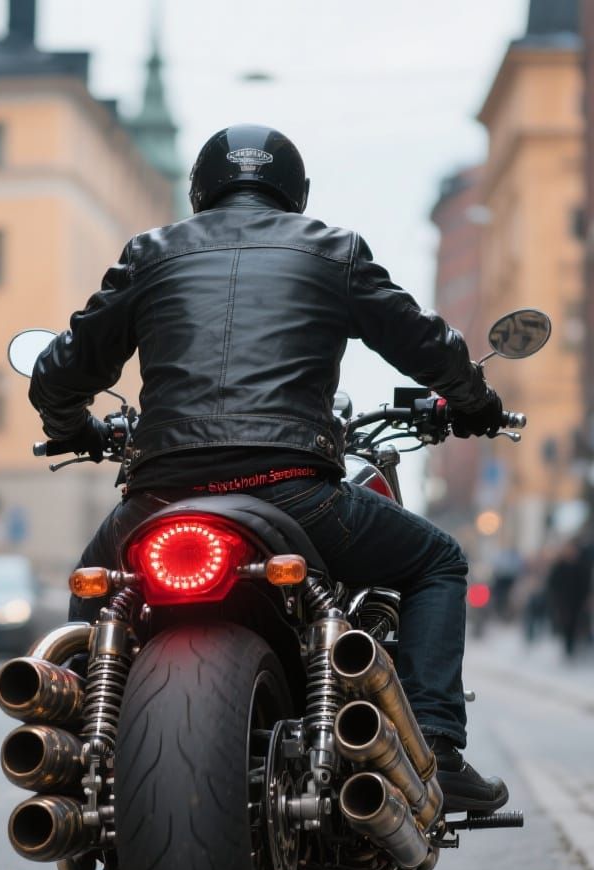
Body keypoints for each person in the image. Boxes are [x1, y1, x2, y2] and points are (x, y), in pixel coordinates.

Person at [29, 124, 508, 812]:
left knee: (97, 587)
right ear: (295, 192)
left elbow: (60, 372)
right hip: (293, 495)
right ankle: (436, 746)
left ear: (200, 192)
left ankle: (74, 743)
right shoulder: (332, 249)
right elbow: (424, 341)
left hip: (160, 497)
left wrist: (72, 427)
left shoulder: (150, 254)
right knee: (438, 562)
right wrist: (473, 401)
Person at [545, 539, 592, 659]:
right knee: (565, 624)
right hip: (563, 602)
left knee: (575, 625)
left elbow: (586, 583)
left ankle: (572, 648)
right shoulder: (560, 566)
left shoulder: (581, 565)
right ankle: (567, 648)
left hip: (576, 601)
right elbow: (553, 583)